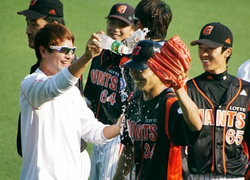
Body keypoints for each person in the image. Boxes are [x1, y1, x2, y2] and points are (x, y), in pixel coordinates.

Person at [19, 23, 123, 180]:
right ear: (43, 51)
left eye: (72, 51)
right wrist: (87, 57)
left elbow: (94, 132)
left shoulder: (72, 92)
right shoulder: (31, 84)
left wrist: (121, 125)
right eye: (63, 50)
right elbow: (54, 87)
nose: (70, 56)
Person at [151, 22, 250, 179]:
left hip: (236, 176)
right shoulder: (188, 89)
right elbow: (179, 136)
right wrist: (178, 88)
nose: (204, 53)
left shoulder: (246, 91)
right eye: (201, 48)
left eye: (210, 49)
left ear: (227, 51)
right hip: (199, 176)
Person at [112, 39, 202, 180]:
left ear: (158, 69)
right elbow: (128, 147)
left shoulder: (170, 104)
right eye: (132, 68)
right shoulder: (134, 100)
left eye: (140, 70)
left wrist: (178, 87)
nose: (134, 74)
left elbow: (196, 125)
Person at [17, 0, 87, 164]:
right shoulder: (49, 64)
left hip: (60, 162)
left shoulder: (64, 67)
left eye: (34, 24)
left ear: (53, 26)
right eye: (27, 23)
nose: (28, 30)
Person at [83, 3, 135, 180]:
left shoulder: (133, 62)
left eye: (122, 25)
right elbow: (89, 97)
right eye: (112, 23)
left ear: (133, 29)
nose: (116, 29)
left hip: (118, 140)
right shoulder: (99, 55)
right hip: (97, 135)